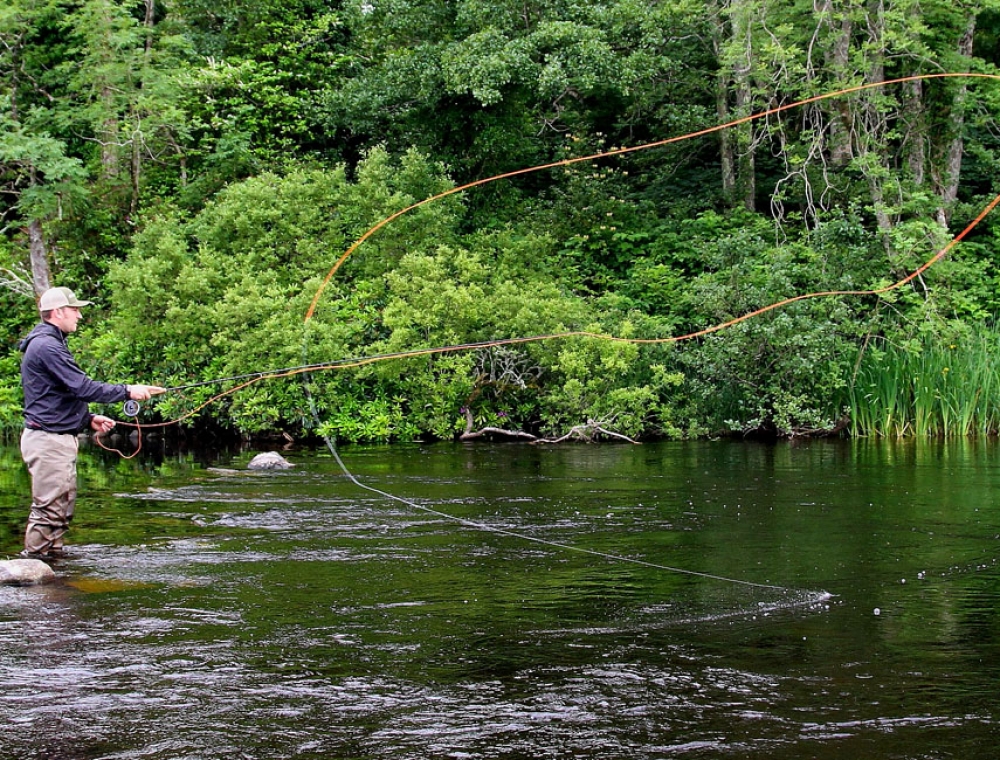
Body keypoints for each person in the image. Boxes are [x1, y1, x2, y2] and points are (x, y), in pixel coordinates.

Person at [18, 286, 165, 559]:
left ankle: (53, 562)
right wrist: (128, 391)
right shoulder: (47, 346)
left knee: (62, 508)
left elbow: (54, 395)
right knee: (48, 509)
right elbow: (83, 388)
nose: (79, 316)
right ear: (58, 312)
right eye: (75, 310)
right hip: (48, 441)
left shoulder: (50, 343)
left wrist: (88, 419)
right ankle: (33, 564)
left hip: (55, 438)